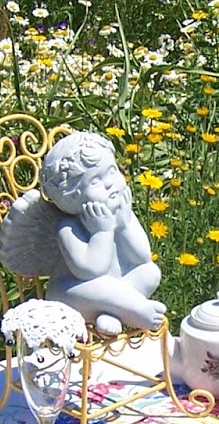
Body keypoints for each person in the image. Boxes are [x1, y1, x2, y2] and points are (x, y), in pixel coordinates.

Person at [36, 132, 165, 336]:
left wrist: (125, 223)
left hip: (112, 287)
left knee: (150, 271)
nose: (109, 183)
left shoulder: (118, 211)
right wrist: (102, 231)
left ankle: (113, 311)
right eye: (95, 181)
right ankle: (136, 309)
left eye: (112, 171)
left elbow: (142, 257)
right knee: (100, 286)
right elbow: (91, 271)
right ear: (72, 198)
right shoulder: (68, 228)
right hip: (73, 292)